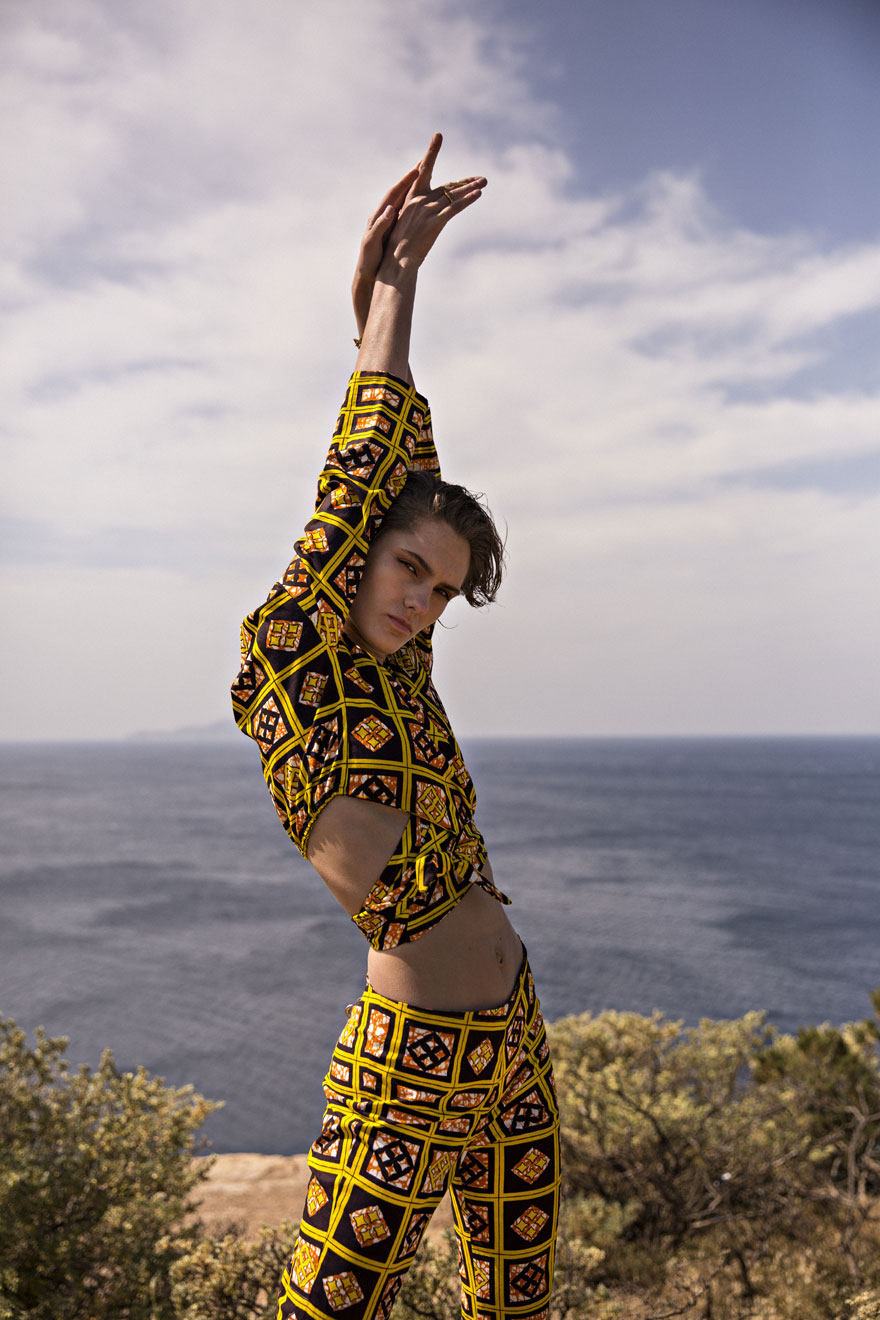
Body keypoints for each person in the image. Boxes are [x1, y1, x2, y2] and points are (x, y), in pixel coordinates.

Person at [232, 133, 559, 1320]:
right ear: (356, 555)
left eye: (442, 591)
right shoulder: (293, 648)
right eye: (407, 568)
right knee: (328, 1310)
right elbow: (363, 473)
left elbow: (400, 463)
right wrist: (396, 285)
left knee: (516, 1307)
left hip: (511, 1033)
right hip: (406, 1065)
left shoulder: (401, 680)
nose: (420, 601)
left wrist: (378, 304)